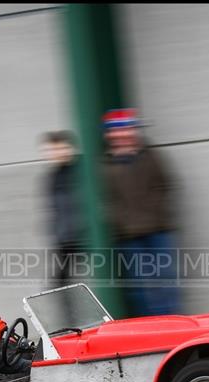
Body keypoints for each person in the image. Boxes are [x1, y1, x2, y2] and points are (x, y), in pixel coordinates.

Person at [101, 108, 180, 317]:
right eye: (116, 131)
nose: (123, 135)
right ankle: (150, 327)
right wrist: (122, 219)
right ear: (110, 135)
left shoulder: (151, 156)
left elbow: (164, 184)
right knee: (139, 287)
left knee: (165, 281)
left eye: (127, 129)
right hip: (128, 236)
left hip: (158, 230)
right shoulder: (105, 165)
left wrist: (153, 210)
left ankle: (171, 323)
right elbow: (106, 199)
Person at [40, 130, 86, 288]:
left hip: (83, 237)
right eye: (52, 150)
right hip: (65, 239)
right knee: (59, 284)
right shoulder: (52, 176)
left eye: (60, 148)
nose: (56, 154)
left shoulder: (81, 171)